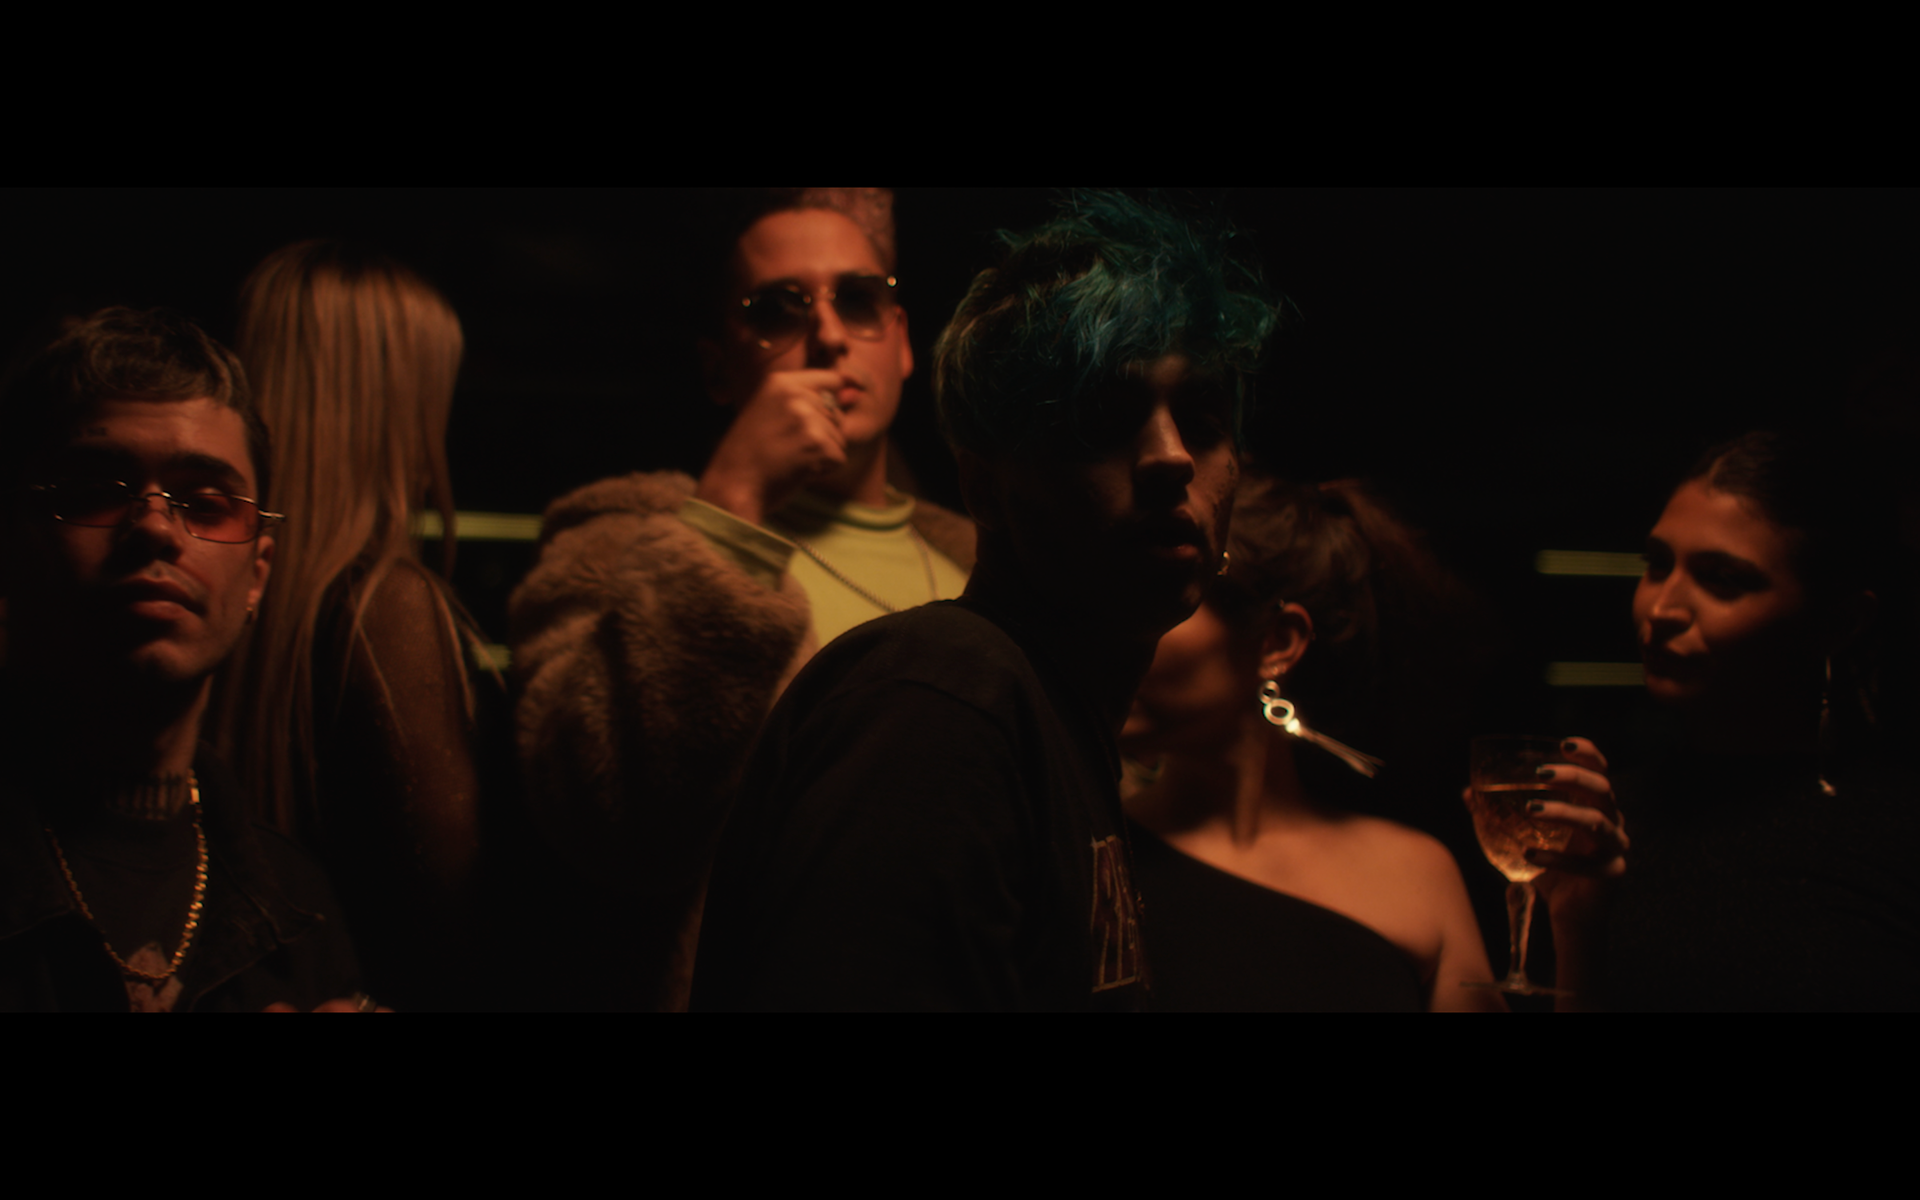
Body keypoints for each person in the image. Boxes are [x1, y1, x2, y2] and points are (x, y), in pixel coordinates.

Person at [691, 191, 1282, 1010]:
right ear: (985, 486)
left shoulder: (1047, 715)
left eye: (1204, 421)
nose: (1171, 457)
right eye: (1102, 419)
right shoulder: (941, 697)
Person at [509, 189, 974, 1010]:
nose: (829, 336)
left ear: (902, 342)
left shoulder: (988, 562)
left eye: (859, 301)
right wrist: (732, 502)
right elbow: (609, 819)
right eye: (777, 310)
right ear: (719, 367)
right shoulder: (618, 545)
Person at [1121, 474, 1625, 1011]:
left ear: (1278, 642)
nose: (1117, 634)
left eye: (1164, 603)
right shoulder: (1095, 848)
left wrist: (1576, 929)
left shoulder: (1416, 876)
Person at [0, 307, 371, 1011]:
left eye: (204, 503)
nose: (155, 526)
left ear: (257, 575)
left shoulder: (299, 906)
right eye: (92, 492)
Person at [216, 242, 506, 1010]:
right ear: (395, 406)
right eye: (432, 395)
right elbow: (461, 929)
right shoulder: (391, 608)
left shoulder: (229, 611)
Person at [1606, 430, 1920, 1010]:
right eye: (1657, 564)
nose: (1662, 607)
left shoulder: (1895, 834)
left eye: (1723, 579)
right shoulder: (1608, 823)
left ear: (1839, 623)